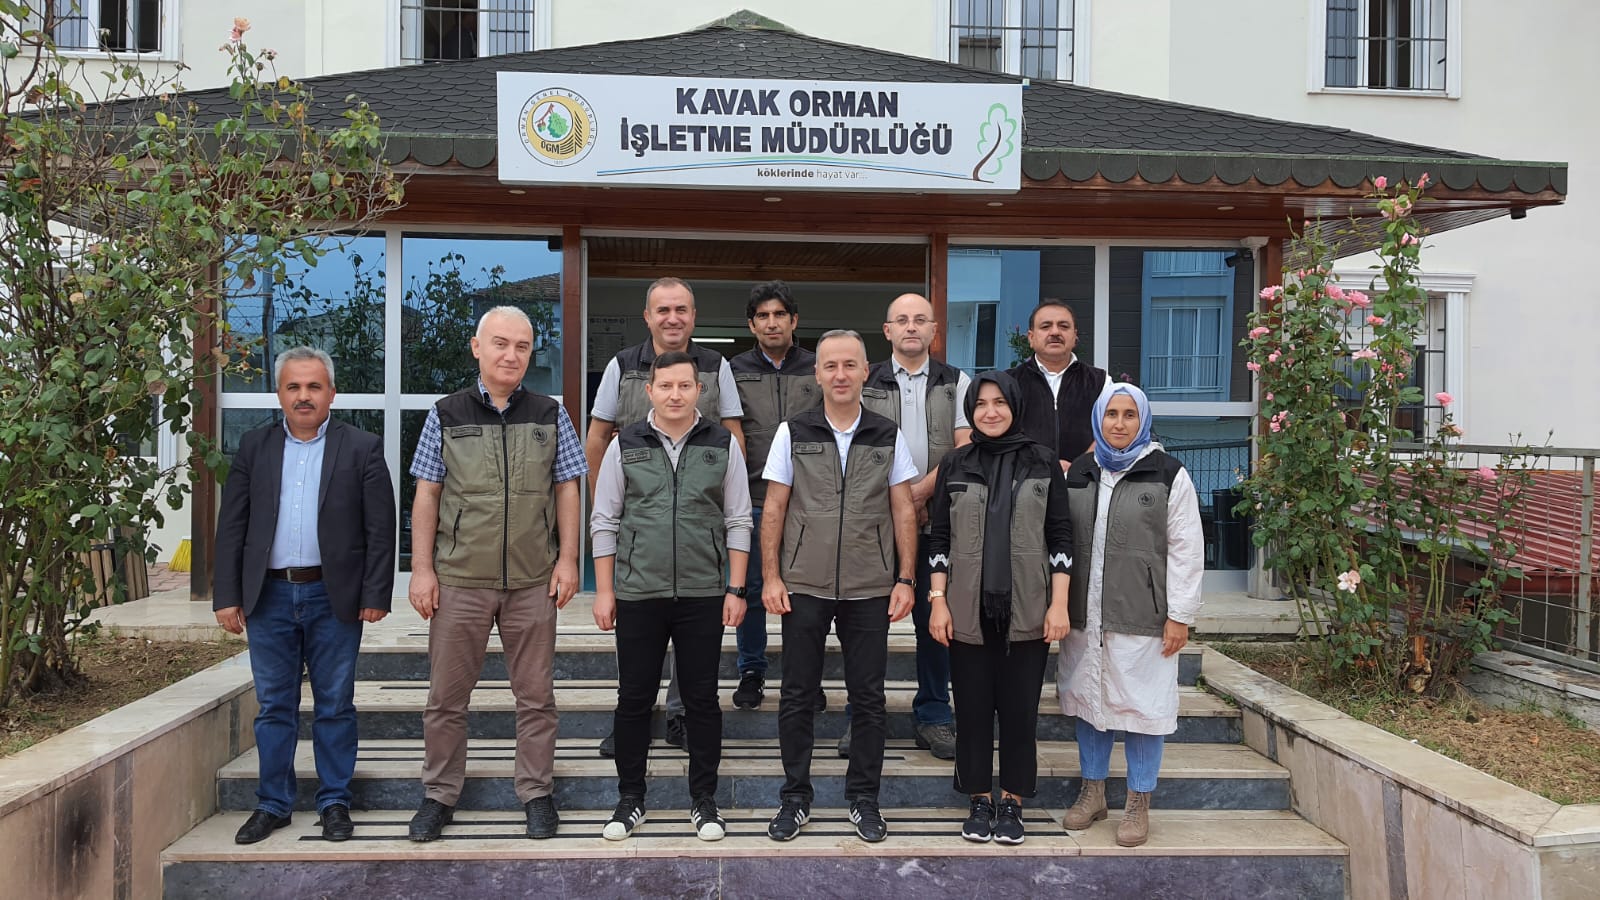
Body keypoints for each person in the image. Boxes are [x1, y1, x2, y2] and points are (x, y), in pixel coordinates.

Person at [406, 306, 586, 842]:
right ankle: (438, 796)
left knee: (536, 698)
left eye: (523, 347)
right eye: (501, 344)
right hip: (460, 579)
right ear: (476, 347)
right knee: (445, 700)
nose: (512, 355)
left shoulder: (551, 414)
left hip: (533, 581)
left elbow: (568, 487)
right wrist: (421, 570)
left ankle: (536, 794)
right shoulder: (446, 413)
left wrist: (569, 558)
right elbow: (427, 494)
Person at [213, 347, 396, 844]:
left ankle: (334, 801)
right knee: (275, 705)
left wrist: (376, 591)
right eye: (293, 387)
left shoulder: (361, 447)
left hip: (332, 596)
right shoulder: (254, 447)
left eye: (313, 387)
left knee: (335, 704)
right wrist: (226, 595)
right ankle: (273, 804)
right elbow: (232, 526)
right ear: (279, 394)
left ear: (331, 393)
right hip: (268, 598)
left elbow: (380, 529)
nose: (303, 396)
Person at [760, 329, 919, 844]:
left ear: (866, 370)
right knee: (797, 694)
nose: (840, 374)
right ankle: (795, 797)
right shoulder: (793, 431)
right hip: (803, 583)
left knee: (869, 698)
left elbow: (903, 508)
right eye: (831, 366)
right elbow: (776, 508)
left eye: (850, 365)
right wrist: (770, 576)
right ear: (818, 373)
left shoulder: (887, 433)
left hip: (871, 584)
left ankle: (864, 799)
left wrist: (906, 578)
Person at [590, 351, 754, 842]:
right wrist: (604, 591)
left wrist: (736, 588)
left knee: (702, 700)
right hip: (639, 592)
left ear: (699, 390)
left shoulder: (723, 444)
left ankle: (704, 801)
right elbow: (605, 520)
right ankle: (629, 799)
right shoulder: (626, 444)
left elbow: (739, 519)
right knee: (634, 699)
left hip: (704, 593)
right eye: (666, 387)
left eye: (685, 386)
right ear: (650, 391)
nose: (675, 395)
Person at [585, 276, 745, 756]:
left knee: (694, 645)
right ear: (648, 317)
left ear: (693, 317)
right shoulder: (621, 365)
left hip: (699, 526)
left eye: (681, 309)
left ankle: (679, 718)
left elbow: (733, 432)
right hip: (642, 524)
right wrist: (608, 505)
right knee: (639, 659)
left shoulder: (718, 366)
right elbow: (598, 435)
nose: (672, 318)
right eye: (663, 310)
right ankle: (634, 722)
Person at [927, 371, 1072, 845]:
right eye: (981, 404)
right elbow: (939, 538)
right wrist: (937, 601)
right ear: (970, 410)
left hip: (1027, 610)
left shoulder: (1042, 462)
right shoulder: (955, 463)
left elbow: (1060, 537)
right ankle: (978, 800)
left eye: (999, 403)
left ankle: (1012, 802)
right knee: (969, 711)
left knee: (1018, 713)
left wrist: (1059, 605)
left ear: (1014, 406)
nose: (990, 412)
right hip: (965, 610)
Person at [1057, 382, 1204, 847]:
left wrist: (1179, 614)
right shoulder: (1080, 471)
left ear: (1143, 420)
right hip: (1085, 615)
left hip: (1144, 614)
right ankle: (1093, 791)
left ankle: (1139, 801)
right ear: (1097, 419)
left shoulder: (1168, 475)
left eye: (1129, 415)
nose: (1119, 424)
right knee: (1088, 703)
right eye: (1111, 415)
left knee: (1143, 710)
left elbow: (1186, 548)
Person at [854, 292, 971, 760]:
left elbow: (964, 449)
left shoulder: (957, 382)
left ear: (933, 329)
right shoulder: (867, 380)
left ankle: (934, 715)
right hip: (875, 524)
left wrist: (920, 495)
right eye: (901, 319)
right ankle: (864, 718)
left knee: (934, 622)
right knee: (866, 625)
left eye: (920, 320)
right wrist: (901, 502)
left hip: (937, 521)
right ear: (887, 331)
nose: (910, 327)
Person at [727, 280, 820, 710]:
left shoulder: (817, 367)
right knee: (753, 586)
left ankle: (807, 677)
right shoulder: (734, 369)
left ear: (794, 320)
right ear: (751, 324)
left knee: (804, 591)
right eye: (762, 316)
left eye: (779, 314)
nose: (771, 322)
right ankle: (752, 670)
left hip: (810, 500)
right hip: (753, 496)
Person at [1008, 300, 1109, 470]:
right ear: (1031, 338)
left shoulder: (1101, 382)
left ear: (1075, 337)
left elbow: (1114, 430)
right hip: (1023, 484)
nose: (1055, 332)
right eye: (1046, 326)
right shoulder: (1009, 383)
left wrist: (1080, 467)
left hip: (1085, 485)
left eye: (1063, 326)